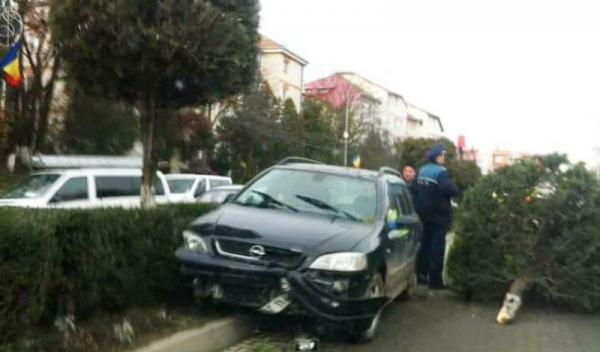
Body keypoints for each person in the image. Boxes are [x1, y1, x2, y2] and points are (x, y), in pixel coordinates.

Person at [414, 144, 459, 289]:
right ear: (437, 156)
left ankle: (421, 275)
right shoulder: (440, 172)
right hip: (439, 215)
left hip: (423, 214)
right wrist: (454, 187)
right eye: (442, 155)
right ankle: (435, 281)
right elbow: (448, 189)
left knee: (425, 244)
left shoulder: (422, 170)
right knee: (437, 247)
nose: (444, 158)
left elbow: (415, 190)